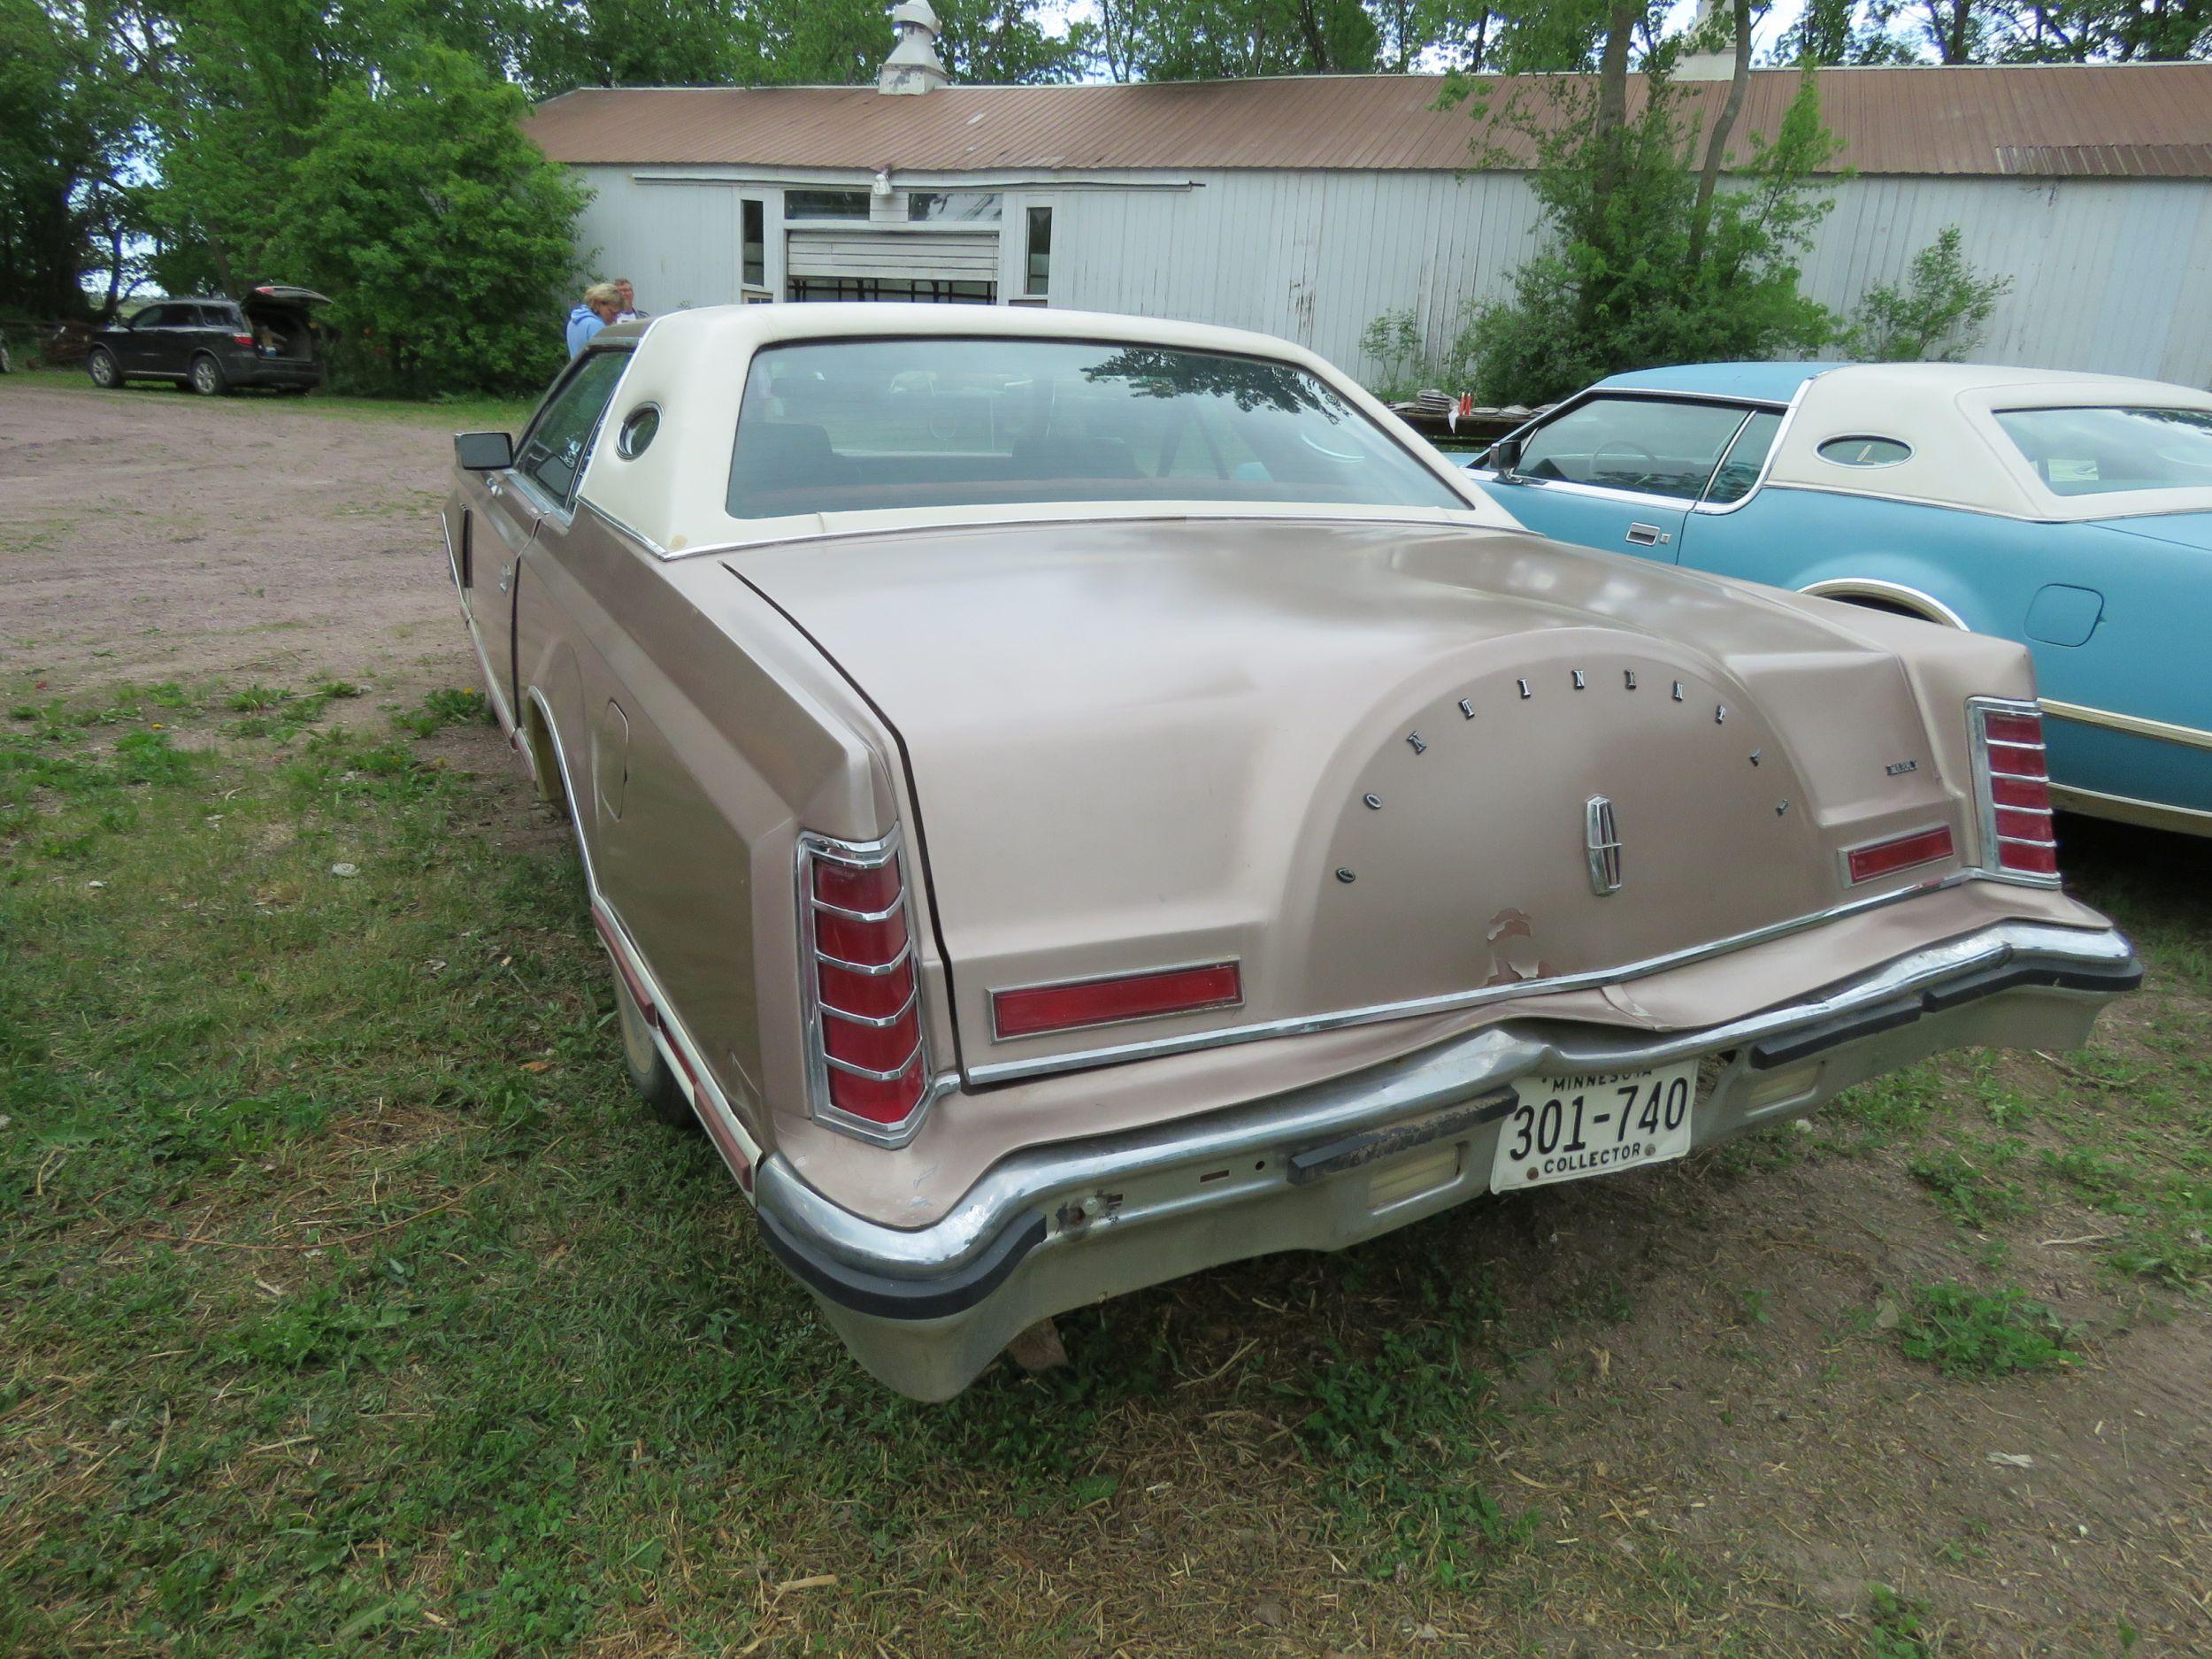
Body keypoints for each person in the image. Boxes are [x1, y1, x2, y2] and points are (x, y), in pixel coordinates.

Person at [565, 282, 622, 357]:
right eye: (612, 312)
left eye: (618, 314)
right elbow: (604, 359)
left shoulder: (573, 321)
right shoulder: (596, 326)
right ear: (599, 304)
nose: (615, 318)